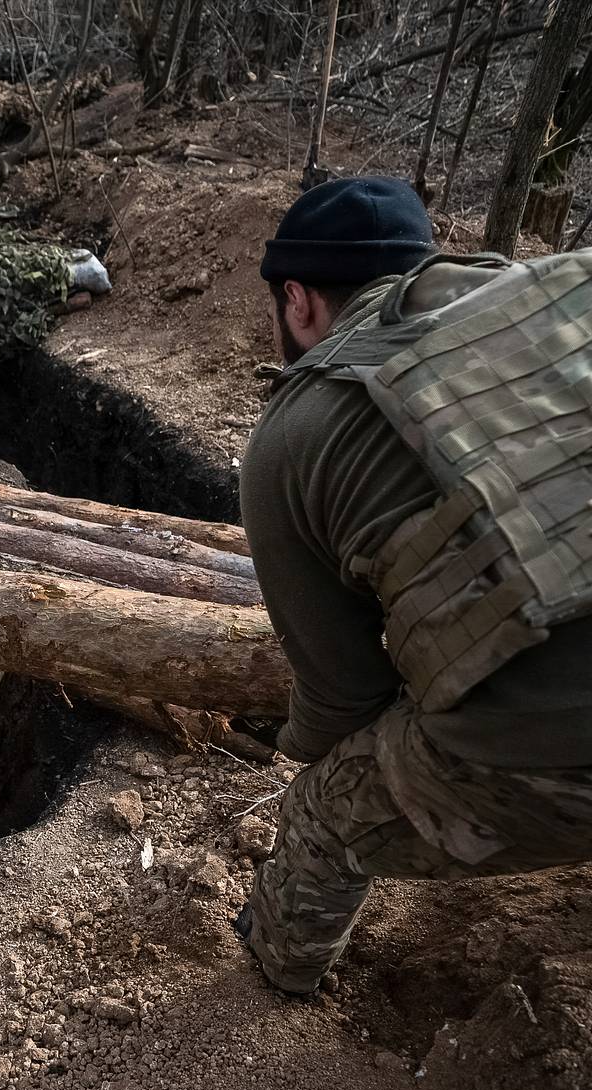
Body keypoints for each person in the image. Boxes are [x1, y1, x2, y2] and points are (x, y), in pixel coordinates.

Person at [234, 177, 592, 994]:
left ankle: (277, 977)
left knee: (321, 813)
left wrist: (294, 746)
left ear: (299, 301)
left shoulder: (297, 429)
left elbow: (346, 703)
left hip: (557, 757)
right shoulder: (560, 297)